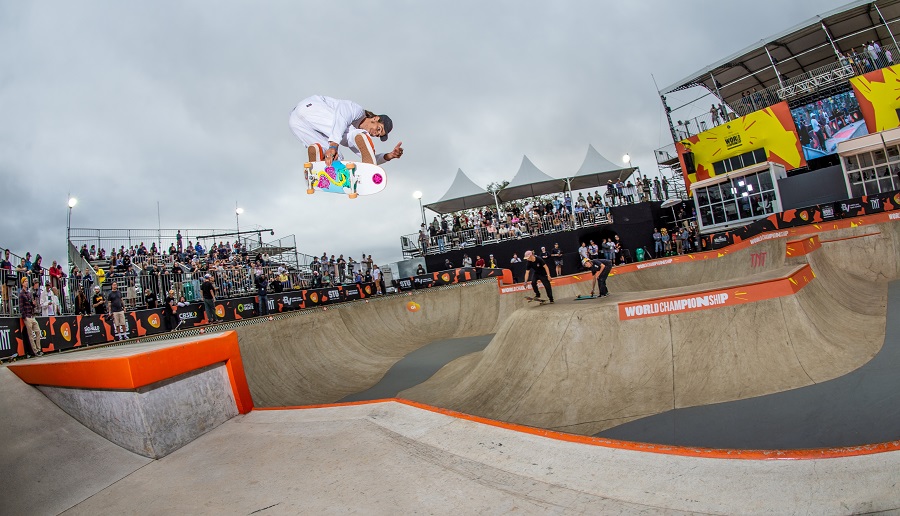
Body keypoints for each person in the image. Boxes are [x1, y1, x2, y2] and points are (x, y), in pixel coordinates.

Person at [289, 94, 403, 167]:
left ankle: (319, 157)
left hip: (295, 121)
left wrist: (390, 155)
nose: (375, 133)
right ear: (375, 118)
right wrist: (333, 146)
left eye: (378, 135)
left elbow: (371, 161)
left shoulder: (358, 140)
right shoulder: (357, 110)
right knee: (345, 139)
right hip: (312, 107)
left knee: (325, 151)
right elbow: (341, 119)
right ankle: (328, 152)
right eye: (379, 129)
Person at [18, 277, 42, 357]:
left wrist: (33, 303)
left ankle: (38, 349)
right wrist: (24, 316)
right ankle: (35, 351)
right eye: (25, 281)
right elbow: (21, 305)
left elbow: (30, 303)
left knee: (38, 331)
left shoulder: (28, 293)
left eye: (27, 281)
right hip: (27, 316)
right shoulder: (21, 293)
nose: (26, 283)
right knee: (31, 335)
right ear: (22, 283)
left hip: (32, 315)